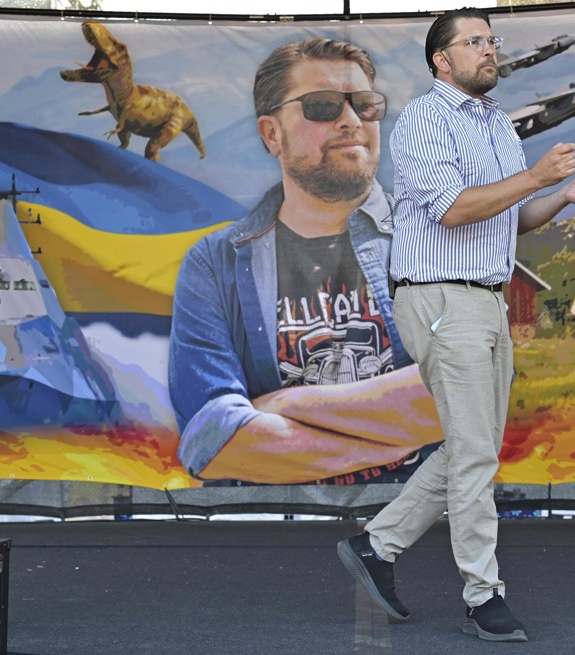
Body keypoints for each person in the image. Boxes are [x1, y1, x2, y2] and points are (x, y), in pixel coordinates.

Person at [338, 8, 575, 642]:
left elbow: (509, 218)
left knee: (475, 448)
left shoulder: (497, 124)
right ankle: (483, 595)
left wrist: (561, 196)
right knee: (473, 453)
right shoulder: (424, 120)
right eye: (475, 42)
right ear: (442, 59)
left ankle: (377, 547)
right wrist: (535, 175)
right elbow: (452, 210)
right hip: (440, 298)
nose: (490, 49)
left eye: (492, 39)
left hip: (488, 298)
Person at [169, 38, 442, 485]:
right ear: (272, 134)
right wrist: (400, 434)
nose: (351, 120)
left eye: (365, 104)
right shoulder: (215, 264)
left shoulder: (439, 239)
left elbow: (474, 388)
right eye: (322, 106)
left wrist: (285, 405)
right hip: (276, 524)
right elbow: (212, 438)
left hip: (422, 520)